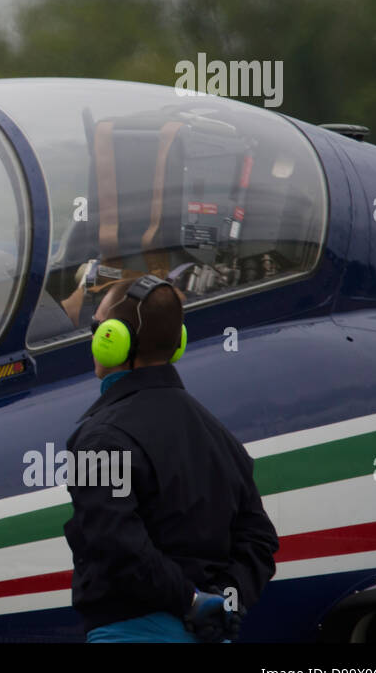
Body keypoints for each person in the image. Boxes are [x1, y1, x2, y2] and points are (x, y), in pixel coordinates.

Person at [62, 273, 279, 642]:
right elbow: (259, 538)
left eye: (97, 328)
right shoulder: (221, 437)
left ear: (112, 341)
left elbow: (113, 544)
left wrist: (189, 600)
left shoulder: (97, 439)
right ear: (176, 343)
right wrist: (224, 602)